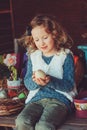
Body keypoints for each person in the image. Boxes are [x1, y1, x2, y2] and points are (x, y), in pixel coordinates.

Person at [16, 14, 77, 130]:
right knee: (22, 121)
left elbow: (69, 85)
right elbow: (28, 82)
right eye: (37, 39)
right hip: (36, 100)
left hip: (59, 100)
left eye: (45, 37)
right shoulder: (33, 56)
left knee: (44, 126)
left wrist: (50, 81)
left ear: (54, 34)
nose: (41, 43)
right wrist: (36, 82)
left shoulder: (65, 55)